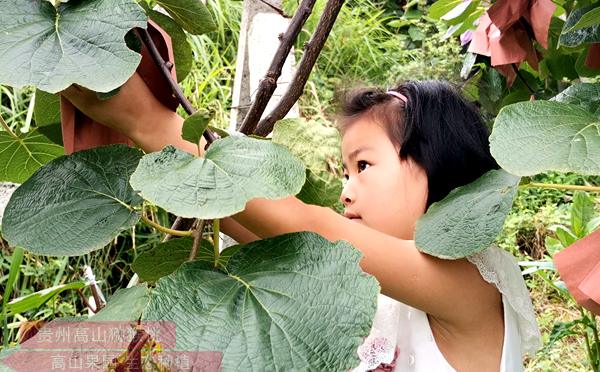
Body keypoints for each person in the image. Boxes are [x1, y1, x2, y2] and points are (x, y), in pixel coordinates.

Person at [61, 74, 541, 371]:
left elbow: (298, 223)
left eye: (364, 166)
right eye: (346, 171)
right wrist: (154, 141)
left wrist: (147, 121)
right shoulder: (368, 288)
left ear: (437, 164)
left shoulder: (471, 282)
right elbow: (256, 225)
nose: (346, 189)